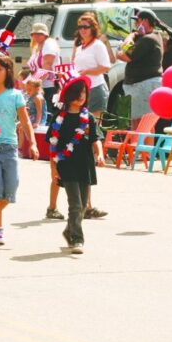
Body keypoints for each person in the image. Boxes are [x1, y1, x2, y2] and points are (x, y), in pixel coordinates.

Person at [46, 73, 105, 254]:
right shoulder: (59, 119)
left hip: (85, 166)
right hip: (67, 166)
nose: (81, 97)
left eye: (84, 93)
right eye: (77, 93)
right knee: (76, 204)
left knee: (81, 205)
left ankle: (69, 230)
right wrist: (54, 168)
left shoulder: (89, 118)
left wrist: (100, 154)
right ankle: (77, 239)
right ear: (69, 95)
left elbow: (95, 139)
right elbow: (53, 145)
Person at [0, 55, 38, 244]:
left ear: (7, 72)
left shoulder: (15, 94)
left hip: (10, 147)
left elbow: (25, 120)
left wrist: (32, 143)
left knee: (11, 188)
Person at [117, 9, 163, 129]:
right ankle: (139, 147)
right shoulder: (151, 37)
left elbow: (125, 54)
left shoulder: (148, 39)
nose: (135, 24)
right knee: (140, 123)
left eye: (137, 21)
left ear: (145, 21)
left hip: (143, 86)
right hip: (141, 86)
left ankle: (143, 148)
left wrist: (131, 35)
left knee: (144, 124)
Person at [71, 13, 111, 120]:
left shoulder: (98, 45)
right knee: (82, 123)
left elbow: (106, 67)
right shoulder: (79, 48)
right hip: (82, 90)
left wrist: (87, 72)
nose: (83, 30)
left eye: (86, 27)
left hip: (96, 88)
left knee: (95, 124)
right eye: (80, 27)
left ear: (92, 29)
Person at [27, 22, 61, 122]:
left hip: (49, 88)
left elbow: (47, 65)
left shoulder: (49, 43)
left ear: (46, 34)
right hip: (39, 88)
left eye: (40, 33)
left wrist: (33, 84)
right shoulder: (36, 47)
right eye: (34, 34)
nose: (36, 36)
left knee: (46, 117)